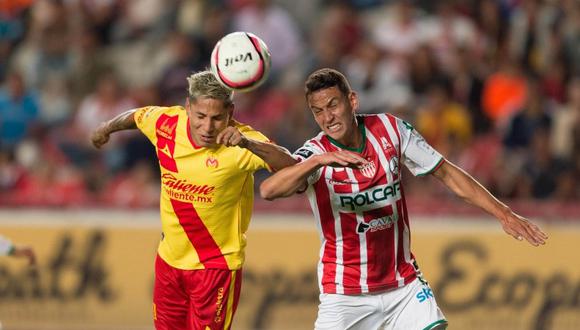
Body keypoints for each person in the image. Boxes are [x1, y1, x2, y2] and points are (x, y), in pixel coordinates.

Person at [260, 68, 548, 330]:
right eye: (318, 111)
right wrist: (320, 161)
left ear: (352, 100)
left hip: (403, 284)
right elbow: (268, 190)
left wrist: (504, 213)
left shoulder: (391, 130)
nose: (328, 117)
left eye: (333, 105)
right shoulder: (314, 153)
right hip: (345, 294)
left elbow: (446, 173)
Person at [90, 70, 295, 330]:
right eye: (200, 116)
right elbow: (136, 116)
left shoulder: (242, 143)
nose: (207, 127)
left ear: (230, 112)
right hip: (169, 263)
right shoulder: (166, 123)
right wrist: (106, 128)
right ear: (188, 107)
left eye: (217, 118)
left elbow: (291, 164)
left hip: (216, 268)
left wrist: (248, 144)